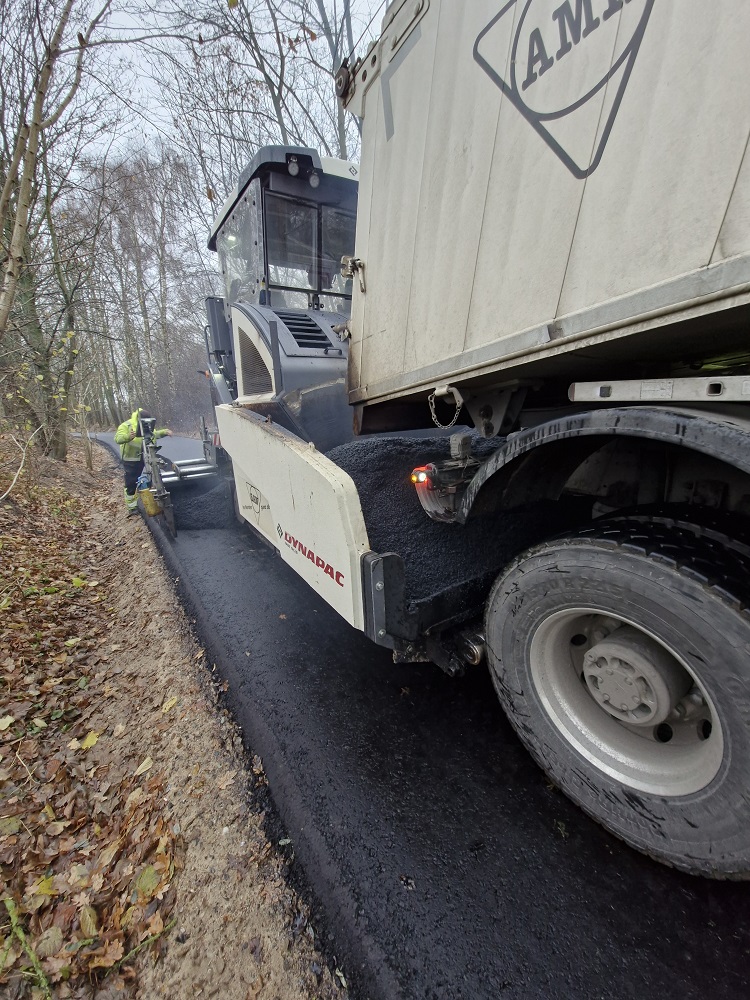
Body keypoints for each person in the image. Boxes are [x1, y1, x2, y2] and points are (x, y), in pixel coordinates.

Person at [114, 408, 172, 515]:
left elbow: (153, 434)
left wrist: (164, 432)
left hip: (148, 455)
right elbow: (117, 438)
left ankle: (157, 498)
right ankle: (132, 507)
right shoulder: (126, 426)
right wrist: (128, 437)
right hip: (132, 459)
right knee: (131, 482)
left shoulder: (147, 424)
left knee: (157, 474)